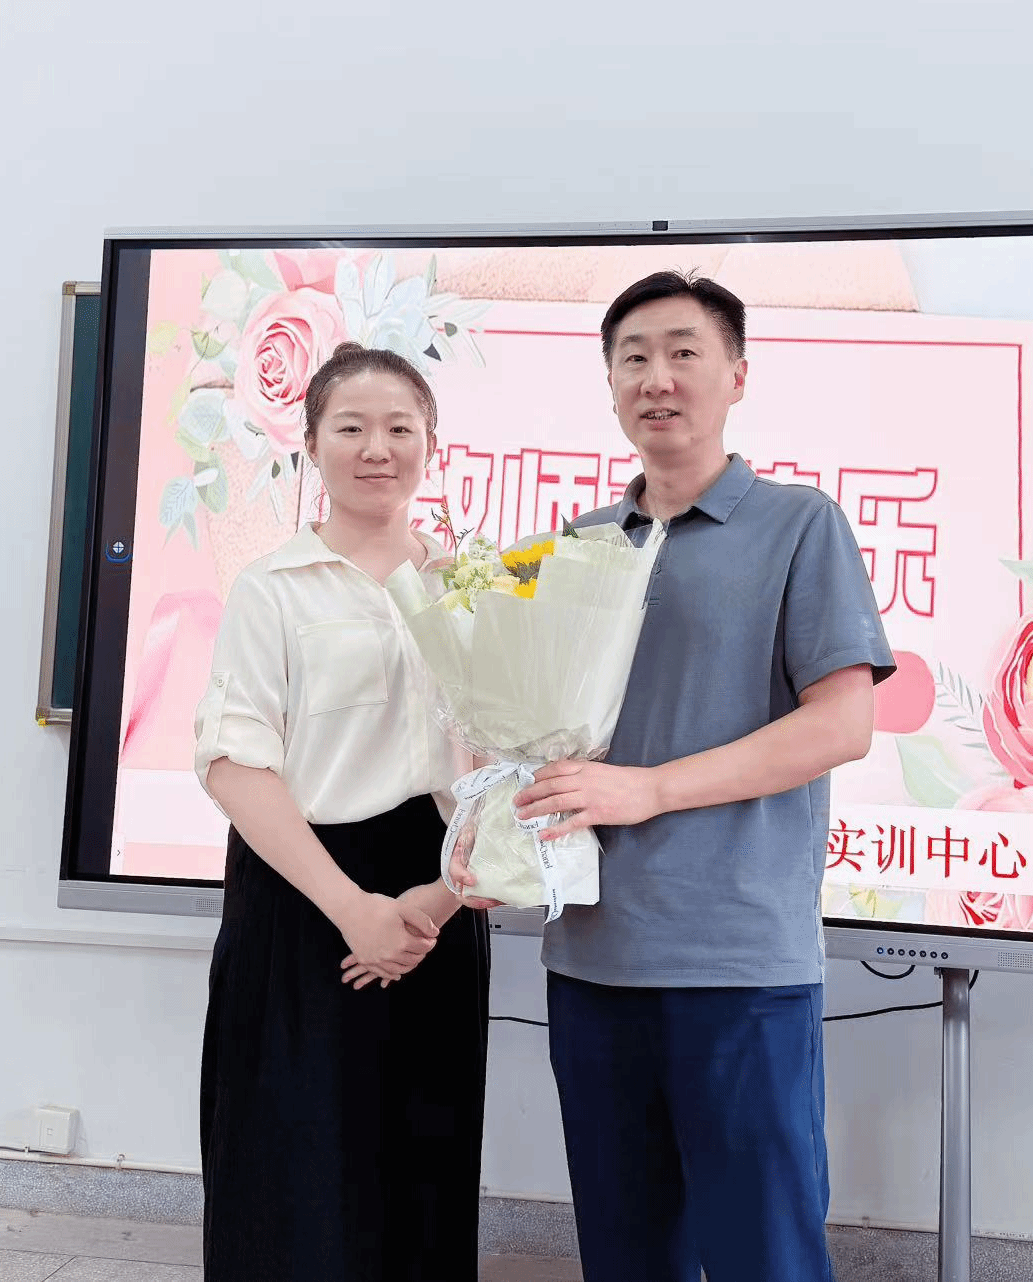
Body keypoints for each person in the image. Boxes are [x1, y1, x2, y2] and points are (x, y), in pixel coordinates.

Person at [455, 271, 895, 1282]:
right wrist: (492, 828)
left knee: (764, 1258)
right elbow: (533, 738)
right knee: (626, 1256)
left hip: (738, 964)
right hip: (592, 958)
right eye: (634, 358)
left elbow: (842, 724)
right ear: (610, 385)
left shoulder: (800, 525)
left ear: (736, 374)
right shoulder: (573, 547)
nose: (658, 377)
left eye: (683, 352)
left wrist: (648, 789)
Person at [195, 342, 489, 1282]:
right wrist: (353, 908)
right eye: (351, 427)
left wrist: (438, 899)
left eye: (400, 427)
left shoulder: (472, 587)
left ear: (432, 443)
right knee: (294, 1170)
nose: (377, 448)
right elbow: (234, 767)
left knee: (422, 1167)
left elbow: (503, 771)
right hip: (302, 895)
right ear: (311, 443)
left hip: (438, 897)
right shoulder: (272, 586)